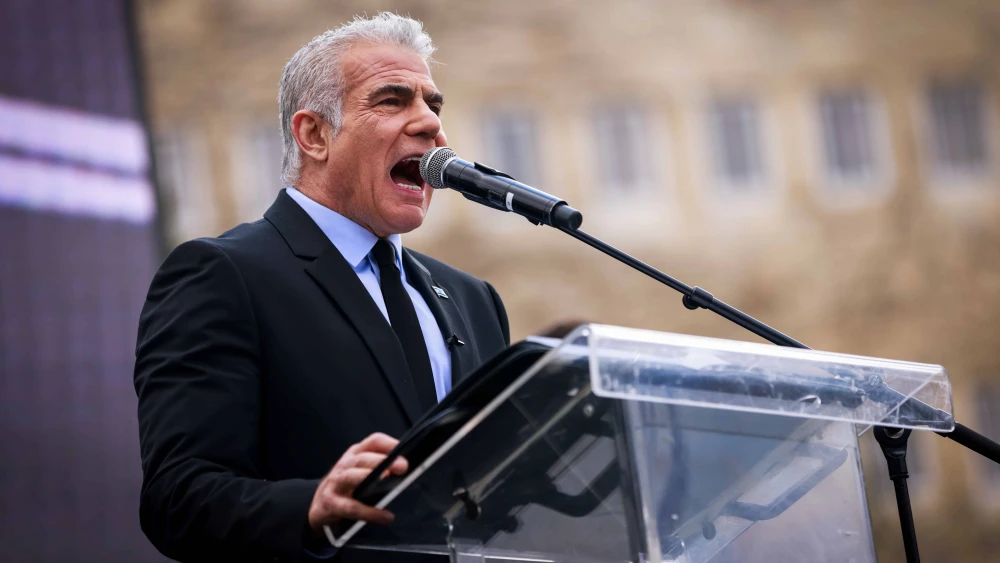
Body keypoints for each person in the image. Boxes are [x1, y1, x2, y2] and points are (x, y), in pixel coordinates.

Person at [133, 13, 509, 562]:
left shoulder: (474, 299)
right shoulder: (222, 275)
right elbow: (178, 499)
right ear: (314, 134)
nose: (430, 125)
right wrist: (312, 505)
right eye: (392, 100)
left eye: (434, 104)